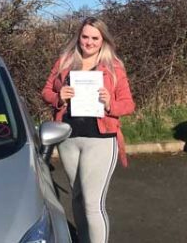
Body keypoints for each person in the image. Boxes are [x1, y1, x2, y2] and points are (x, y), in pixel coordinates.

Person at [42, 17, 135, 243]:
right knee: (77, 199)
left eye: (95, 38)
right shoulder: (65, 61)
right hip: (68, 139)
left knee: (93, 205)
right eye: (85, 37)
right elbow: (45, 91)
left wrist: (109, 103)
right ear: (79, 37)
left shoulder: (114, 67)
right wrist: (58, 97)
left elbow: (128, 104)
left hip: (101, 140)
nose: (89, 42)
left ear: (103, 40)